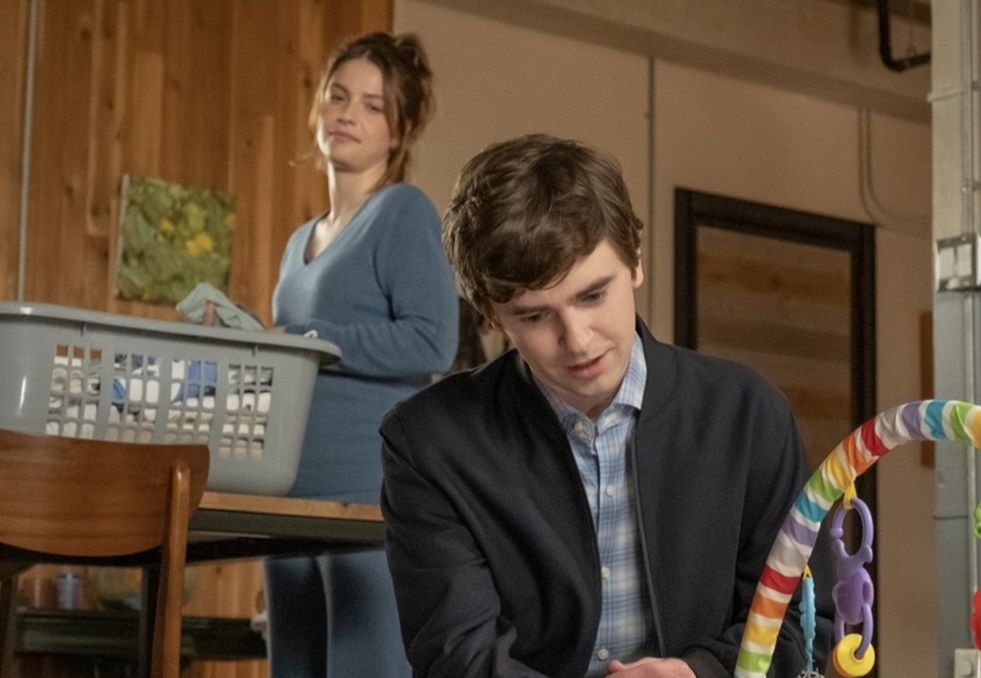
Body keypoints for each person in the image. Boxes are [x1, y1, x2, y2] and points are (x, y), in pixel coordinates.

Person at [380, 133, 832, 677]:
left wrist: (699, 673)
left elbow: (805, 626)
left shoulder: (748, 415)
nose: (577, 340)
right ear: (491, 314)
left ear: (635, 260)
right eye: (534, 316)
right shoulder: (428, 443)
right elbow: (458, 658)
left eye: (593, 295)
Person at [269, 32, 458, 677]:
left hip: (365, 496)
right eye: (338, 96)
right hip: (289, 499)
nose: (348, 114)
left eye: (372, 106)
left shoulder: (402, 212)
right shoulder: (299, 240)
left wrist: (310, 338)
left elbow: (433, 340)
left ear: (399, 131)